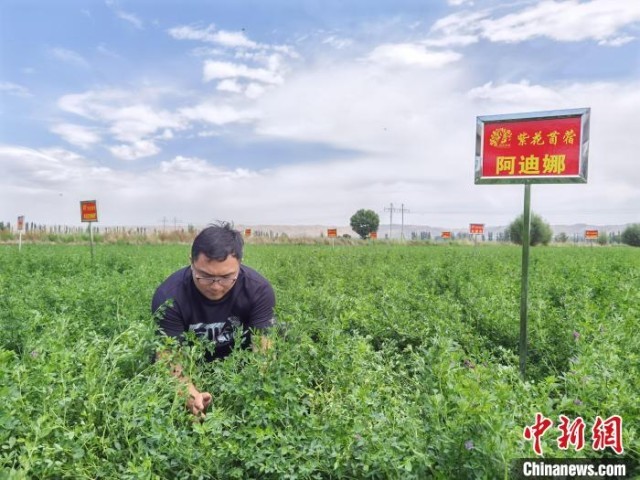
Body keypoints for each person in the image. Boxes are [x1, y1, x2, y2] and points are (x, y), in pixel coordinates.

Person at [152, 222, 275, 418]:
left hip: (238, 366)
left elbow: (263, 355)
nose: (216, 286)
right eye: (205, 276)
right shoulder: (169, 297)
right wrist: (192, 397)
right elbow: (169, 360)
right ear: (191, 263)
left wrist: (247, 395)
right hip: (192, 364)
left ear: (240, 264)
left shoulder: (258, 290)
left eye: (227, 277)